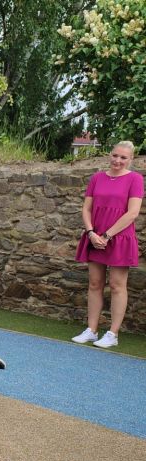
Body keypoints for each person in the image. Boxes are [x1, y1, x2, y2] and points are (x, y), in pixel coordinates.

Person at [73, 140, 143, 349]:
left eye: (123, 157)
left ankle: (113, 334)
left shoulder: (135, 179)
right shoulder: (97, 177)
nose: (118, 160)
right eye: (115, 155)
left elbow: (133, 213)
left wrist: (107, 235)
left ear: (131, 159)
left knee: (116, 285)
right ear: (109, 154)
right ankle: (91, 330)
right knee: (95, 283)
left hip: (119, 238)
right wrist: (91, 233)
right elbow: (86, 209)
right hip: (95, 236)